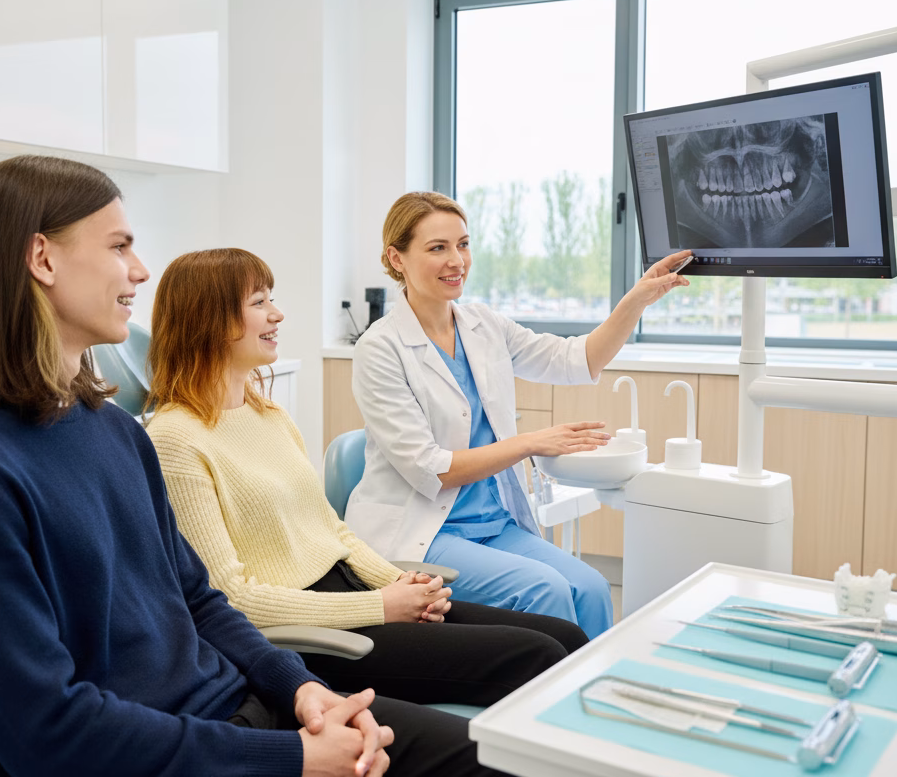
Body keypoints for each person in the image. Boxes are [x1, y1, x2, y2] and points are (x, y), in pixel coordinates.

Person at [0, 156, 474, 777]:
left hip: (239, 718)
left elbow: (197, 597)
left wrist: (299, 689)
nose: (140, 270)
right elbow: (48, 734)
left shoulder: (107, 428)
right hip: (170, 756)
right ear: (43, 258)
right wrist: (290, 756)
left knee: (499, 756)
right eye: (118, 247)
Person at [143, 248, 588, 711]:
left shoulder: (267, 413)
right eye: (258, 302)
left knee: (566, 636)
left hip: (355, 592)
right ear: (206, 319)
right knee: (540, 656)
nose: (277, 313)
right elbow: (231, 600)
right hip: (309, 633)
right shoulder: (175, 440)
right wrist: (381, 606)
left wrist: (404, 585)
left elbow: (331, 530)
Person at [347, 191, 691, 640]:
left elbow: (577, 359)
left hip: (493, 523)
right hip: (422, 532)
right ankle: (537, 706)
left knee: (591, 587)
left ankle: (589, 700)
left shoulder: (483, 325)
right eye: (438, 248)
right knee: (544, 590)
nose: (457, 260)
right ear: (397, 258)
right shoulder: (380, 348)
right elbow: (429, 469)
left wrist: (637, 300)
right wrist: (530, 443)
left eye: (463, 244)